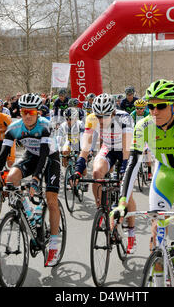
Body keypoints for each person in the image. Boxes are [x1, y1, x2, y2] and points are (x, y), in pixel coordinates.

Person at [110, 79, 174, 278]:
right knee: (158, 226)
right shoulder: (144, 126)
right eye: (151, 106)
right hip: (164, 171)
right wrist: (122, 203)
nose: (154, 111)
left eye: (161, 106)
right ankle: (162, 272)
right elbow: (133, 165)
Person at [0, 93, 62, 266]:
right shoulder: (14, 127)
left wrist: (35, 179)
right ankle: (26, 212)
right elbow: (3, 155)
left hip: (49, 158)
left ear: (38, 112)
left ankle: (54, 245)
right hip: (30, 156)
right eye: (25, 111)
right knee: (11, 179)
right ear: (20, 111)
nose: (27, 115)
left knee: (51, 200)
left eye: (31, 112)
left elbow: (43, 156)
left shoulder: (45, 126)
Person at [71, 93, 138, 254]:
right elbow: (86, 146)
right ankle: (101, 209)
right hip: (108, 148)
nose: (101, 120)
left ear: (113, 112)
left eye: (105, 116)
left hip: (125, 149)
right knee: (96, 172)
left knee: (126, 192)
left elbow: (127, 147)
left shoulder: (124, 117)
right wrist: (79, 168)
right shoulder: (91, 119)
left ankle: (131, 234)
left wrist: (123, 170)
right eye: (99, 116)